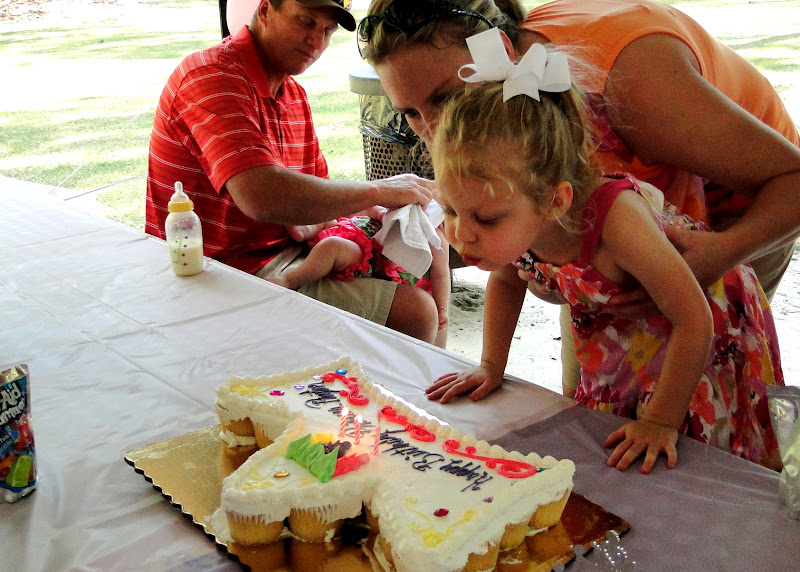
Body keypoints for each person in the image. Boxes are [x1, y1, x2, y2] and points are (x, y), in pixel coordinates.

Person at [358, 0, 800, 394]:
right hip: (620, 252)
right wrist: (558, 274)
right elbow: (536, 270)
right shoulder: (509, 144)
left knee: (687, 404)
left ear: (499, 54)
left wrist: (719, 253)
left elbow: (791, 181)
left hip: (749, 214)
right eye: (410, 112)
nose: (434, 131)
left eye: (447, 99)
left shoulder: (630, 83)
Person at [424, 30, 784, 473]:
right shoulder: (521, 215)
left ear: (555, 202)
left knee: (696, 454)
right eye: (450, 209)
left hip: (704, 324)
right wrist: (491, 365)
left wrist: (659, 421)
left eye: (486, 219)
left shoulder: (617, 222)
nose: (462, 233)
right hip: (626, 336)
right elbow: (505, 279)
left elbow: (694, 320)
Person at [145, 0, 443, 345]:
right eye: (305, 21)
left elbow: (316, 198)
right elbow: (261, 197)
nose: (316, 40)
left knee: (423, 262)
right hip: (219, 269)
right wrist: (379, 191)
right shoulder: (211, 77)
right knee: (416, 312)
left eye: (327, 30)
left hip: (283, 253)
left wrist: (381, 209)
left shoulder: (293, 95)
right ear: (265, 10)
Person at [270, 209, 452, 347]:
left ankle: (290, 279)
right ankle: (307, 226)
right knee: (330, 224)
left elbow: (441, 274)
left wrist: (442, 307)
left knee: (332, 247)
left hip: (370, 261)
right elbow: (364, 207)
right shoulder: (395, 207)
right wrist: (381, 211)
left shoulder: (435, 236)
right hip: (356, 234)